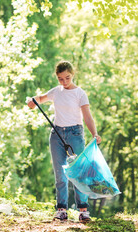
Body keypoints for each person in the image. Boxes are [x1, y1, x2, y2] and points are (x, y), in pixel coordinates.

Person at [27, 60, 102, 222]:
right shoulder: (56, 91)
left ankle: (83, 210)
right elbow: (40, 98)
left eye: (67, 78)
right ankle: (61, 209)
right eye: (61, 79)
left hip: (75, 133)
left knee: (79, 172)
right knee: (60, 174)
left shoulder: (80, 93)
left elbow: (87, 116)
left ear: (72, 75)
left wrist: (94, 133)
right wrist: (33, 101)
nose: (64, 82)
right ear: (57, 78)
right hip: (57, 134)